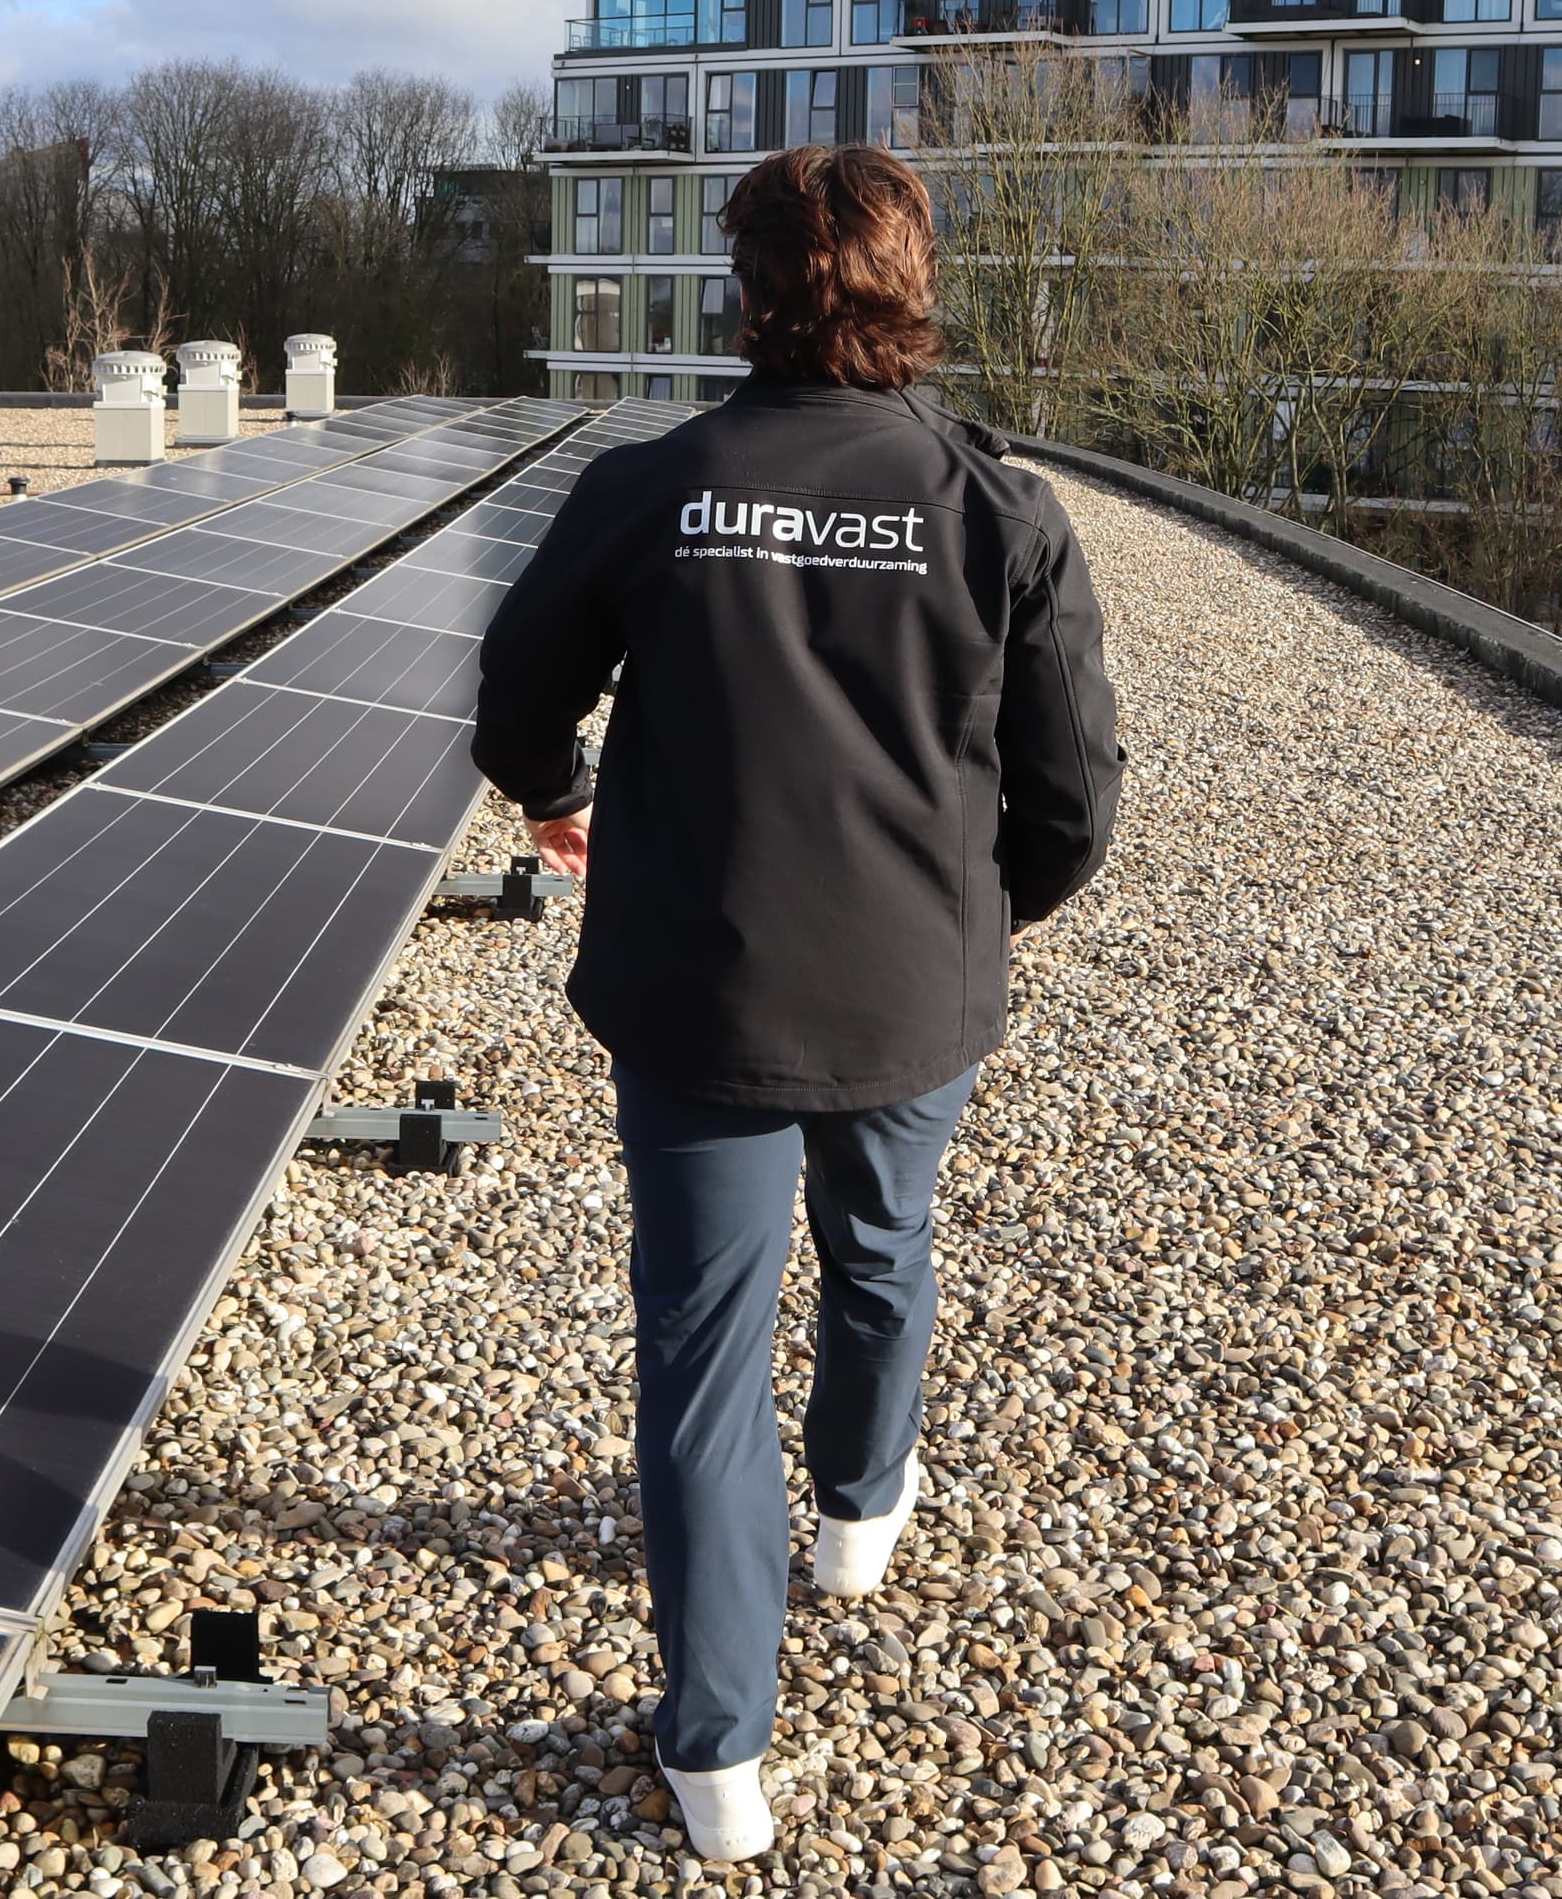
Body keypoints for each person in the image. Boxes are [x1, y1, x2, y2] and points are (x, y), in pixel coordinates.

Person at [473, 140, 1124, 1863]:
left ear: (749, 292)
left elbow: (518, 688)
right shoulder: (1001, 507)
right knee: (885, 1245)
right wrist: (976, 921)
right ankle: (858, 1510)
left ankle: (718, 1758)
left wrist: (554, 791)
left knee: (698, 1358)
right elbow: (1073, 799)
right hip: (915, 980)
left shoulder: (658, 482)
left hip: (702, 989)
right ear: (913, 287)